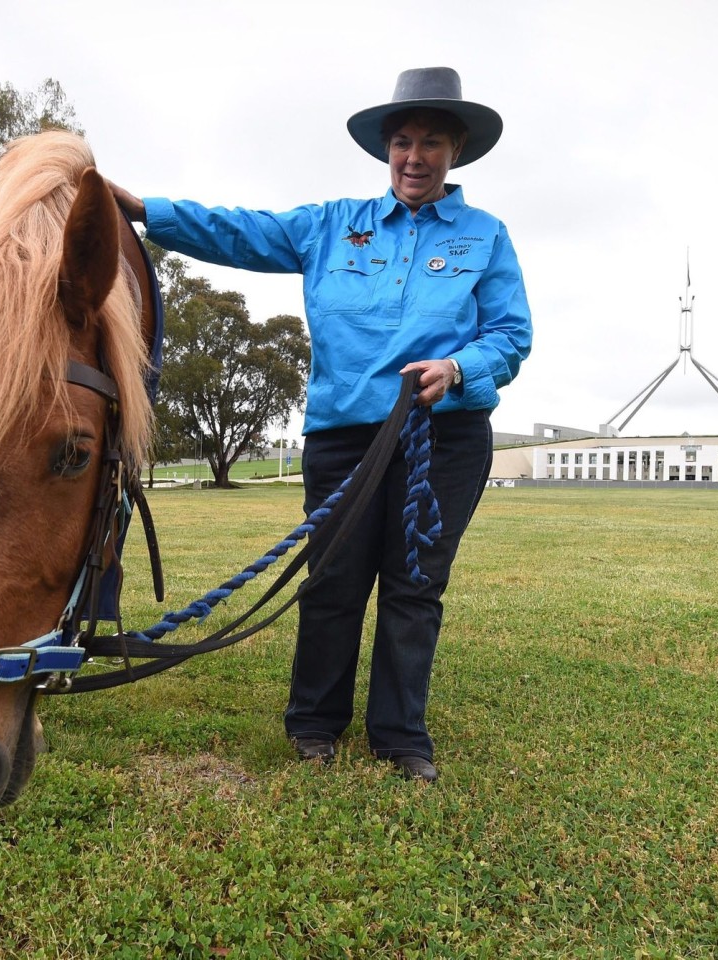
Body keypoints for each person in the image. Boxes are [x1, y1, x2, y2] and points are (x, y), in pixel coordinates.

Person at [111, 67, 532, 782]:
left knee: (414, 584)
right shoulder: (332, 226)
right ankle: (314, 724)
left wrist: (457, 370)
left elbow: (511, 336)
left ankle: (401, 736)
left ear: (455, 150)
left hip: (444, 438)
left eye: (432, 141)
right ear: (385, 150)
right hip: (344, 438)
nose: (415, 156)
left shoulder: (485, 237)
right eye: (403, 141)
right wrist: (145, 209)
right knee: (333, 581)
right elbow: (241, 232)